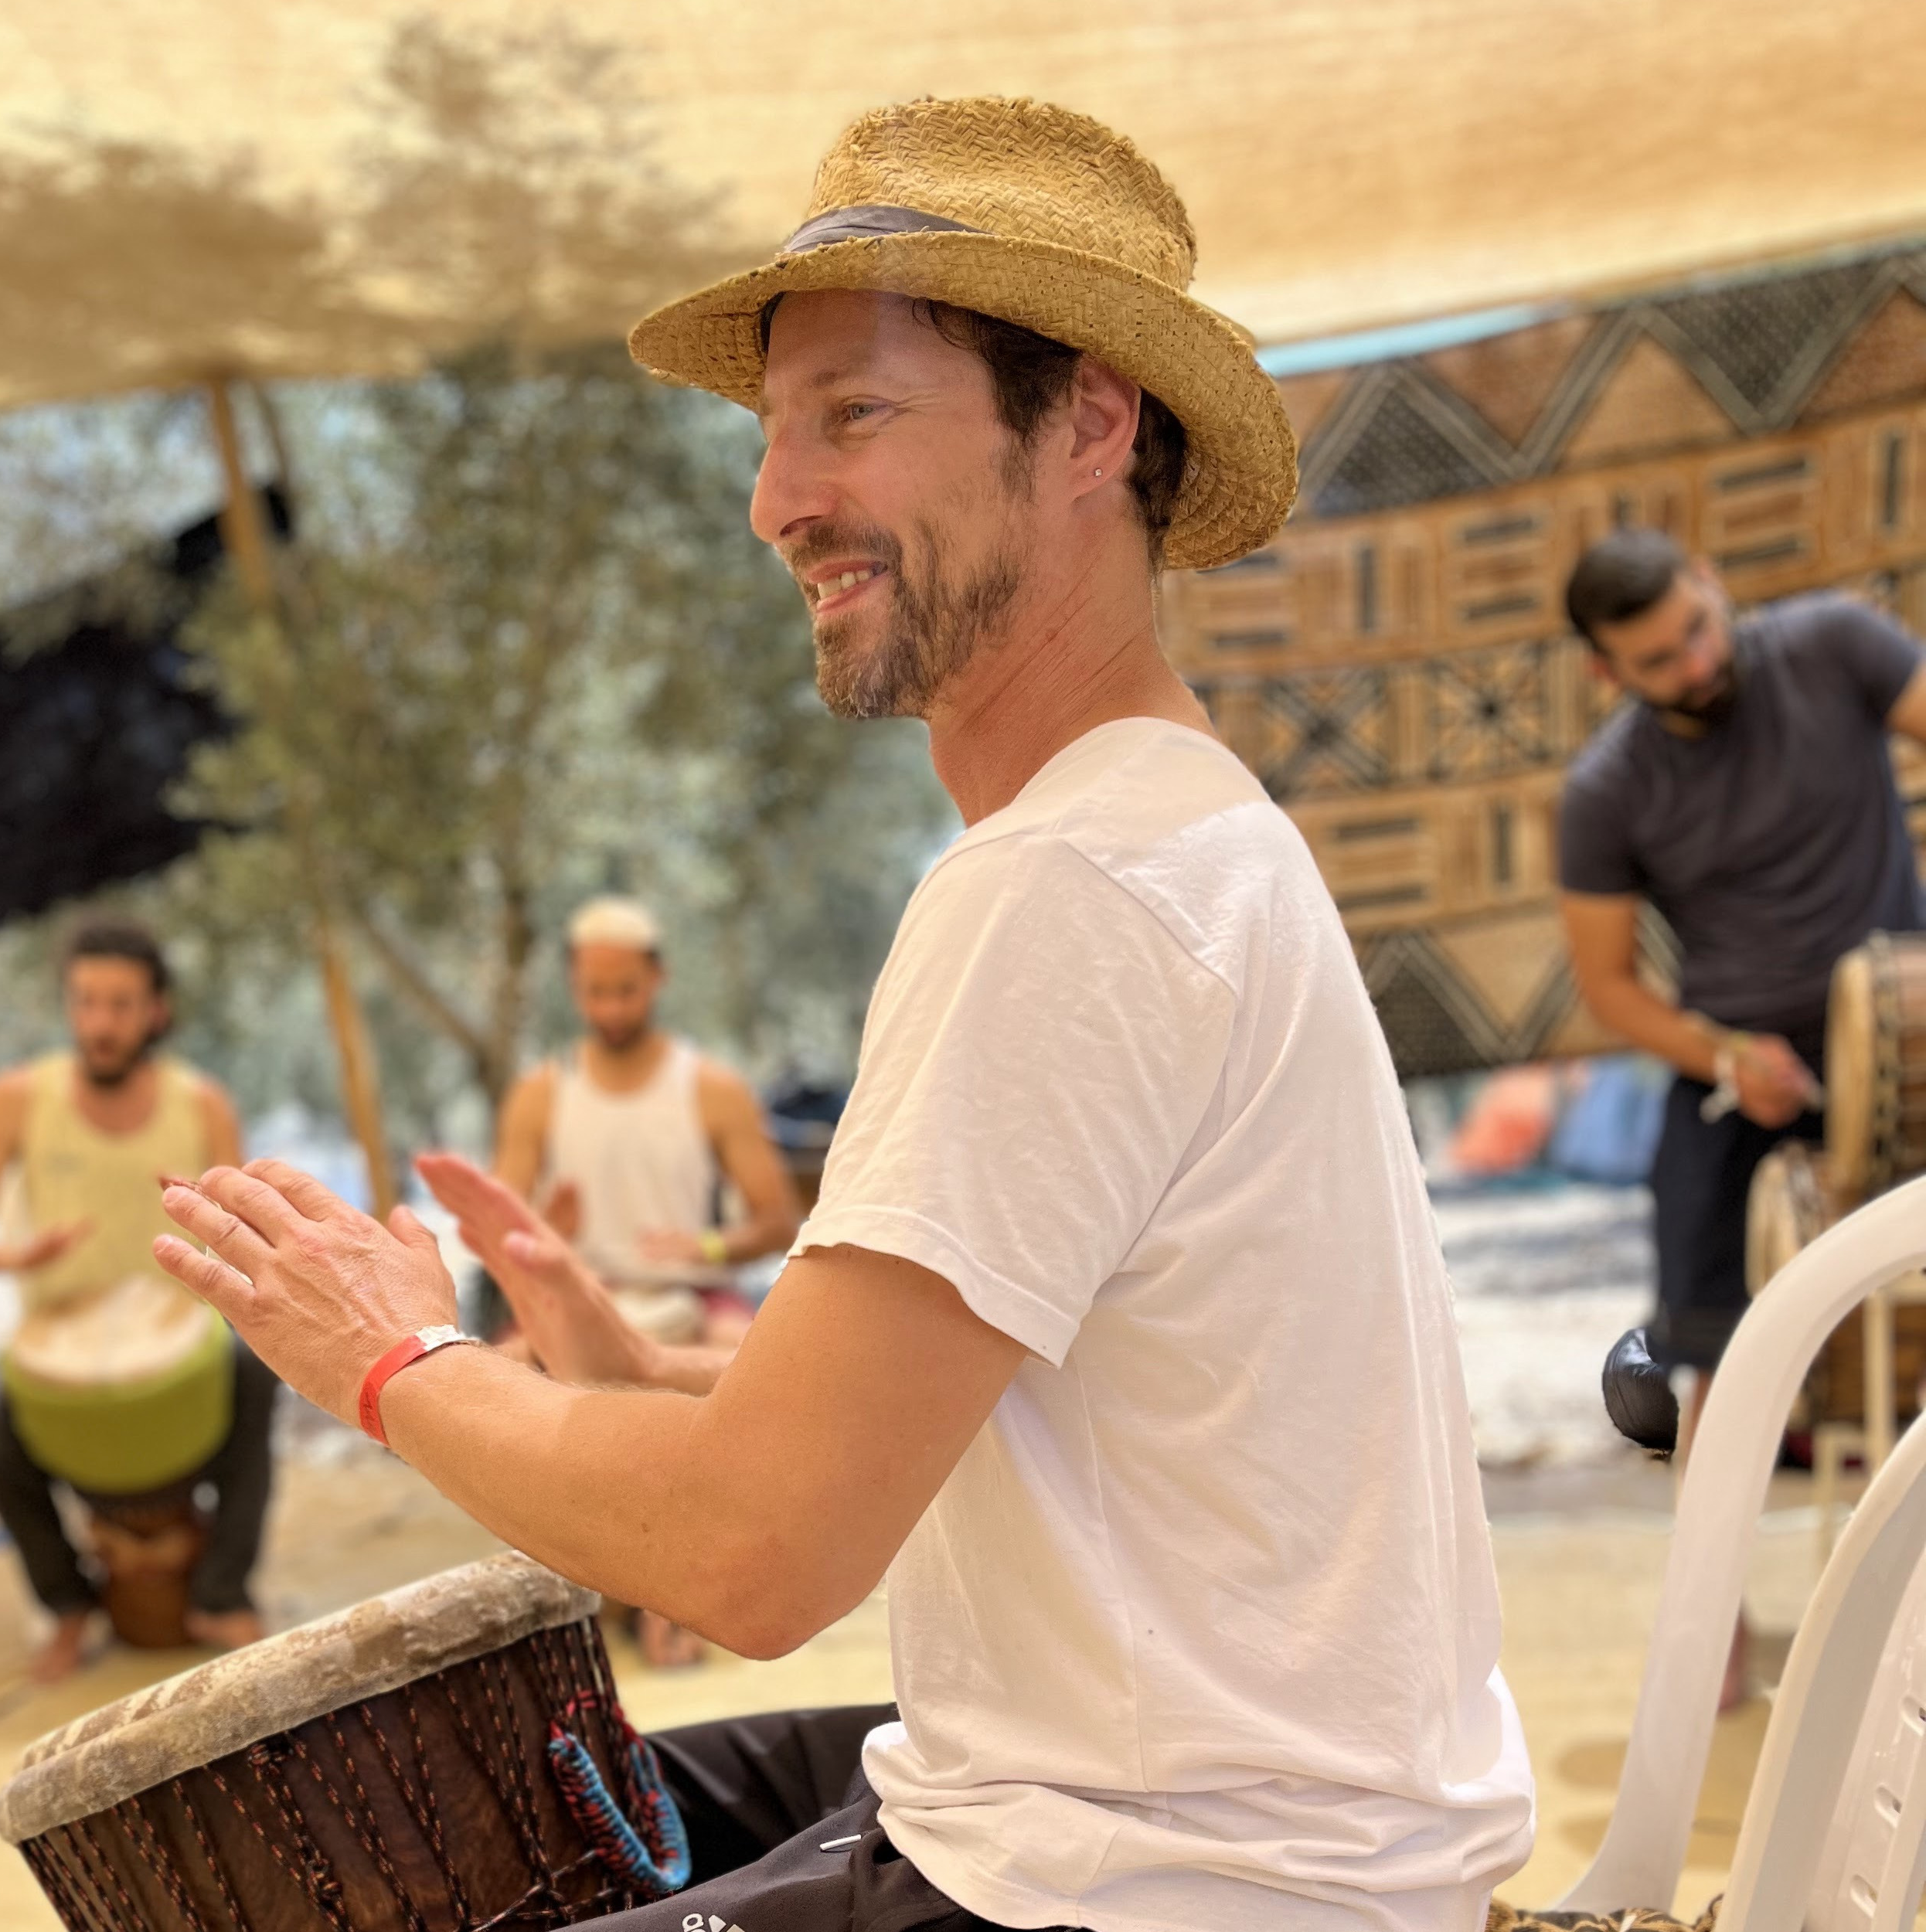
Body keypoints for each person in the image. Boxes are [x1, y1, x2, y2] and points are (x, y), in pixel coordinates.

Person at [159, 97, 1533, 1932]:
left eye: (856, 416)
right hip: (1212, 1825)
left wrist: (394, 1363)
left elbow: (752, 1553)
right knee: (547, 1798)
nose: (776, 499)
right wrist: (654, 1382)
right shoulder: (1172, 830)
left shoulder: (1071, 887)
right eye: (772, 431)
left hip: (1168, 1888)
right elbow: (1036, 1397)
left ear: (1094, 425)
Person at [1557, 528, 1926, 1701]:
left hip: (1906, 1024)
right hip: (1740, 1069)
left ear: (1713, 583)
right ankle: (1710, 1634)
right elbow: (1612, 988)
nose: (1695, 662)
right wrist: (1725, 1054)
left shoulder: (1837, 645)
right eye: (1659, 660)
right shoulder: (1604, 792)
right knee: (1705, 1344)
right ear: (1607, 674)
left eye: (1698, 630)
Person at [0, 914, 275, 1679]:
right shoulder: (17, 1098)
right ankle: (66, 1604)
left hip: (174, 1325)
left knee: (257, 1377)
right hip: (59, 1333)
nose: (100, 1022)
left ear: (156, 1010)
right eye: (86, 1001)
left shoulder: (203, 1104)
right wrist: (15, 1254)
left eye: (120, 1004)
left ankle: (222, 1589)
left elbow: (248, 1228)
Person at [491, 896, 798, 1349]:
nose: (611, 1010)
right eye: (595, 993)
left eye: (626, 991)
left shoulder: (715, 1090)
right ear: (574, 985)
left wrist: (707, 1246)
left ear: (658, 978)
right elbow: (496, 1231)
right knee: (500, 1374)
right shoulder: (537, 1095)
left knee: (750, 1370)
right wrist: (544, 1232)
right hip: (576, 1294)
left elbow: (778, 1223)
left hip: (696, 1294)